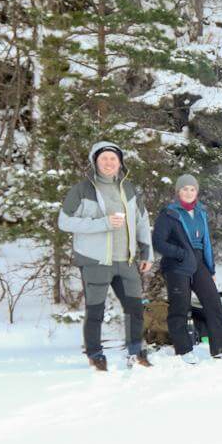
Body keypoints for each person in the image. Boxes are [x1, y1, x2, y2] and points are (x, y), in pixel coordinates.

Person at [57, 141, 153, 370]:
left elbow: (142, 221)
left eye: (113, 158)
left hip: (126, 261)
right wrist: (103, 223)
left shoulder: (128, 188)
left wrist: (147, 253)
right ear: (95, 161)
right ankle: (95, 354)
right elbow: (64, 222)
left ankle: (135, 351)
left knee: (135, 309)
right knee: (95, 311)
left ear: (120, 162)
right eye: (104, 158)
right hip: (96, 261)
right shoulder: (82, 190)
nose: (109, 163)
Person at [151, 175, 222, 363]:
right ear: (178, 191)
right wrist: (180, 253)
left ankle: (220, 347)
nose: (188, 192)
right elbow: (158, 242)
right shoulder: (169, 214)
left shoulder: (200, 213)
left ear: (197, 192)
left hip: (199, 263)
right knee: (180, 306)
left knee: (213, 302)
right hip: (177, 265)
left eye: (192, 189)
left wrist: (211, 269)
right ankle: (184, 350)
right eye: (184, 189)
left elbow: (206, 242)